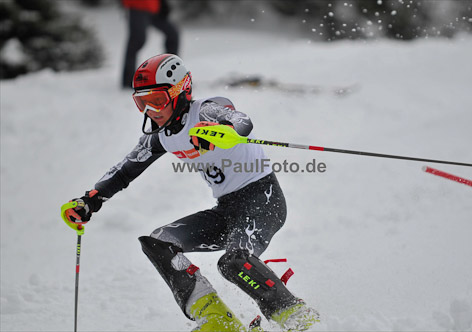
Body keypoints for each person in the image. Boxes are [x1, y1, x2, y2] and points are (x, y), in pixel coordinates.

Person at [63, 54, 320, 331]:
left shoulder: (206, 111)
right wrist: (90, 200)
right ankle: (218, 321)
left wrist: (221, 128)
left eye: (157, 100)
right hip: (226, 208)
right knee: (159, 242)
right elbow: (125, 170)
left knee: (234, 262)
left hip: (262, 200)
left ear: (180, 92)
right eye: (141, 102)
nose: (151, 109)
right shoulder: (160, 135)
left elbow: (240, 119)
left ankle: (297, 317)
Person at [121, 0, 179, 89]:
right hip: (137, 7)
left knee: (173, 34)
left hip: (154, 7)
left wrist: (162, 3)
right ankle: (128, 80)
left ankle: (171, 75)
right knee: (137, 41)